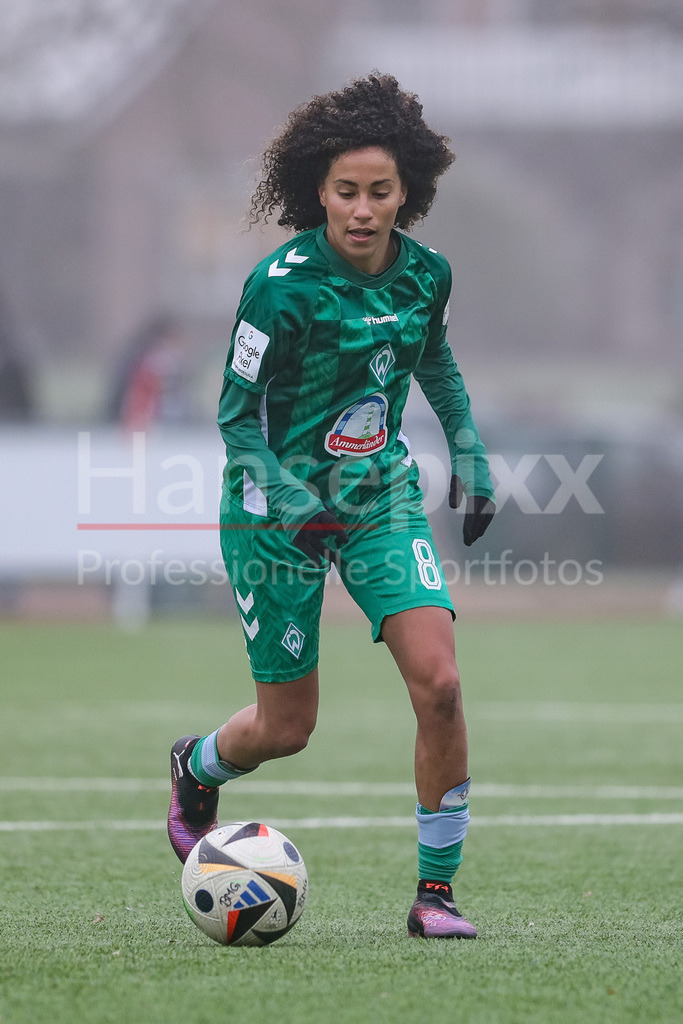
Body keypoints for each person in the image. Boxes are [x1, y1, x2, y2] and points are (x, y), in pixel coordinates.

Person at [168, 72, 496, 939]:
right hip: (270, 510)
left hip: (377, 496)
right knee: (287, 728)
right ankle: (197, 765)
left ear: (407, 194)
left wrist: (466, 447)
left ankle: (436, 894)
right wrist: (287, 494)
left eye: (378, 192)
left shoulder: (427, 274)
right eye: (345, 191)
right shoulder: (277, 286)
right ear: (317, 191)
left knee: (442, 688)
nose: (361, 208)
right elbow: (235, 419)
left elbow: (435, 363)